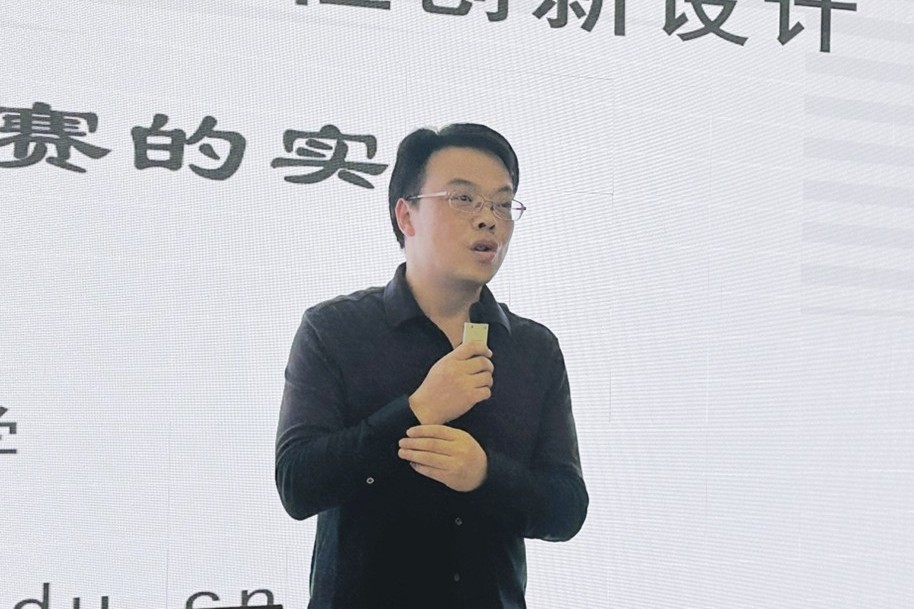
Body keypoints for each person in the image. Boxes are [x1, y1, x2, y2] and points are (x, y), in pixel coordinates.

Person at [275, 123, 588, 609]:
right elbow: (298, 485)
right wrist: (418, 410)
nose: (488, 220)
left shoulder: (533, 349)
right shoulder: (334, 329)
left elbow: (566, 509)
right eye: (463, 199)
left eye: (503, 204)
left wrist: (486, 475)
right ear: (407, 214)